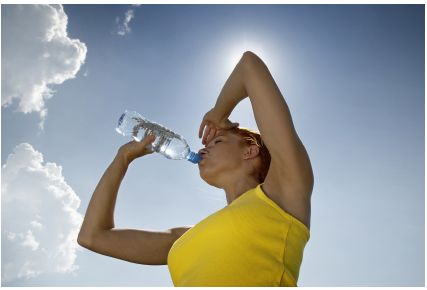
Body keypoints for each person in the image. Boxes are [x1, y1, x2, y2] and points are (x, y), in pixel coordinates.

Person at [77, 51, 314, 286]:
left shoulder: (283, 193)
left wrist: (219, 114)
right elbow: (93, 237)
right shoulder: (185, 237)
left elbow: (249, 66)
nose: (202, 148)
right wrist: (123, 158)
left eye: (217, 141)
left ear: (250, 151)